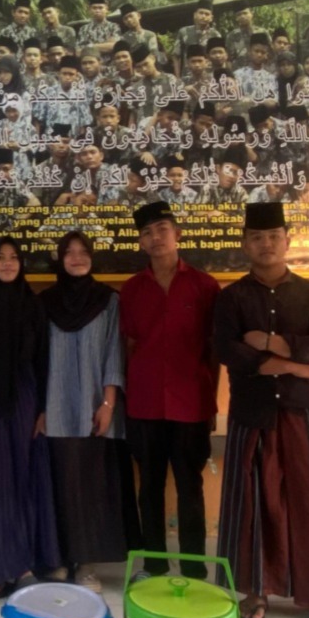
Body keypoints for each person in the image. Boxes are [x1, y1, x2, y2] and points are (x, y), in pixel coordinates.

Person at [213, 201, 309, 618]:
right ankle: (256, 592)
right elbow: (227, 350)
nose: (266, 244)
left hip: (304, 412)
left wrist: (273, 342)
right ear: (245, 245)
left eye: (274, 237)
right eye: (257, 238)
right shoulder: (231, 297)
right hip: (252, 412)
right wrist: (293, 365)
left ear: (287, 241)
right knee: (254, 503)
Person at [119, 202, 220, 579]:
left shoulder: (205, 286)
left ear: (177, 234)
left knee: (190, 485)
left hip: (191, 402)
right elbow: (129, 344)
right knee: (149, 486)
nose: (155, 238)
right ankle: (154, 564)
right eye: (147, 233)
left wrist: (210, 402)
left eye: (162, 229)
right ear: (140, 243)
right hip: (144, 403)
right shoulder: (131, 290)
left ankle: (194, 567)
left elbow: (214, 350)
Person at [0, 238, 59, 598]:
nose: (7, 263)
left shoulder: (33, 306)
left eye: (14, 257)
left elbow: (44, 359)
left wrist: (44, 409)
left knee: (24, 479)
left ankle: (24, 563)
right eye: (0, 258)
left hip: (26, 397)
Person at [40, 232, 129, 592]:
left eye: (83, 252)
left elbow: (114, 352)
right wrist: (40, 409)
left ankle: (87, 564)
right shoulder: (45, 302)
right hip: (56, 408)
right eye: (69, 252)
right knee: (59, 486)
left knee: (92, 487)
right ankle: (61, 559)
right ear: (60, 259)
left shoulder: (108, 300)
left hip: (95, 409)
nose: (77, 258)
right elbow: (35, 359)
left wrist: (108, 404)